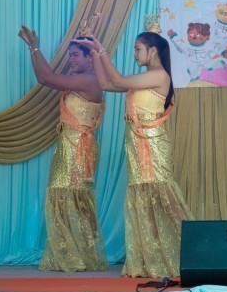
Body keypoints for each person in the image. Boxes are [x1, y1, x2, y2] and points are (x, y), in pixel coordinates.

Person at [75, 20, 192, 278]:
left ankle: (193, 254)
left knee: (161, 198)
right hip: (137, 144)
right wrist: (94, 51)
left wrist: (100, 48)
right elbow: (107, 84)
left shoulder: (159, 75)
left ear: (153, 51)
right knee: (144, 201)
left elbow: (116, 79)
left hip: (152, 145)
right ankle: (152, 260)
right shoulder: (144, 78)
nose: (134, 54)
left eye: (138, 49)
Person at [19, 24, 107, 272]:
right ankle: (77, 256)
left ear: (90, 58)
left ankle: (76, 258)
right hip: (70, 145)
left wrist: (34, 48)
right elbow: (43, 78)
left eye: (76, 55)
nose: (71, 59)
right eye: (70, 55)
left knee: (70, 198)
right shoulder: (81, 80)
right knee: (69, 199)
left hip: (77, 147)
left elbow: (46, 78)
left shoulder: (89, 80)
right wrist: (33, 49)